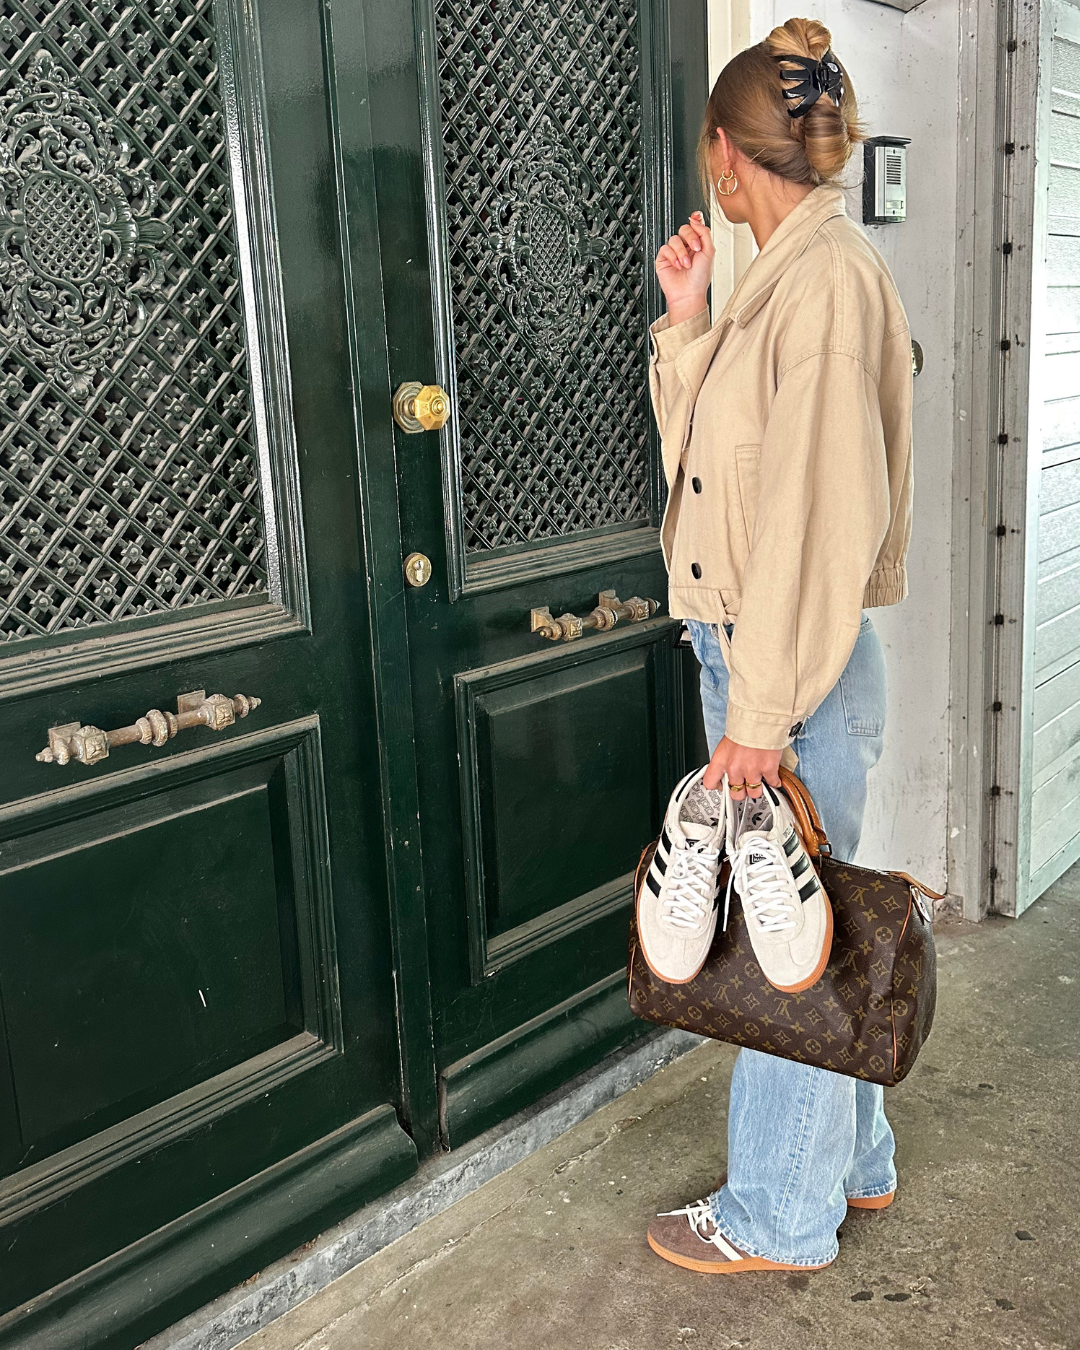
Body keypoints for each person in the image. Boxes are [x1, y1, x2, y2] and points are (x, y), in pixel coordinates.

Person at [643, 17, 913, 1274]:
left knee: (781, 954)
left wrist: (758, 711)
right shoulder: (787, 278)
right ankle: (852, 1166)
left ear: (725, 154)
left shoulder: (821, 289)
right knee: (826, 921)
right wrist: (687, 320)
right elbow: (726, 485)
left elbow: (815, 523)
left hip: (782, 672)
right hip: (776, 665)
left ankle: (776, 1216)